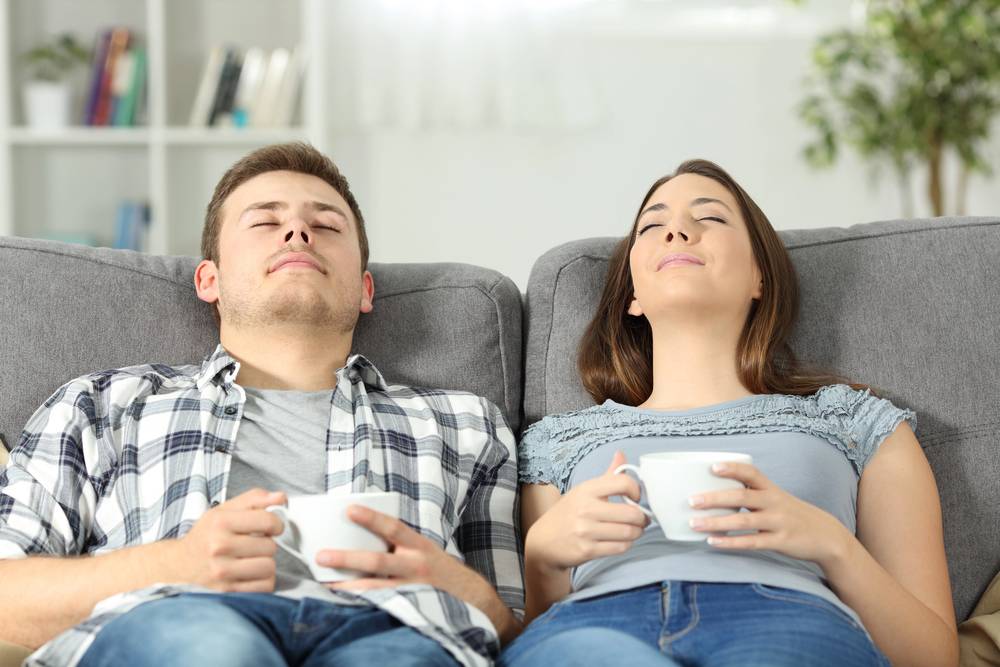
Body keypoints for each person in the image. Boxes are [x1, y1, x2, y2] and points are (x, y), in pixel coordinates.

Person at [0, 142, 523, 667]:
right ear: (210, 280)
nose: (298, 232)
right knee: (217, 651)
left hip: (397, 631)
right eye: (264, 223)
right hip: (182, 620)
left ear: (366, 289)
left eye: (328, 225)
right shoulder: (102, 405)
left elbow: (519, 632)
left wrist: (465, 591)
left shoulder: (466, 424)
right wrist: (177, 564)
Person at [501, 159, 957, 667]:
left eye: (710, 218)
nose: (676, 230)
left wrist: (832, 545)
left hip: (788, 620)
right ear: (632, 296)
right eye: (652, 225)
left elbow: (933, 658)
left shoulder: (857, 423)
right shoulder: (556, 442)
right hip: (593, 624)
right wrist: (543, 557)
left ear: (759, 277)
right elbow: (533, 631)